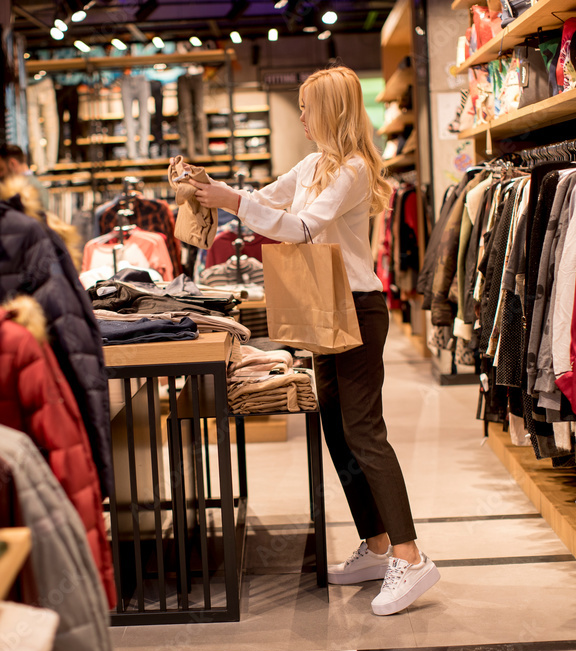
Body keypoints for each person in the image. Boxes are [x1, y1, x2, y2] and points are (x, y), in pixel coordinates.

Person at [176, 66, 440, 616]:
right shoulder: (314, 164)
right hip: (326, 307)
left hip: (358, 310)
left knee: (365, 431)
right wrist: (212, 192)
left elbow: (300, 228)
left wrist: (230, 199)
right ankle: (376, 545)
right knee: (337, 430)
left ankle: (412, 558)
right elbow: (266, 199)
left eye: (305, 105)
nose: (299, 115)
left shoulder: (353, 169)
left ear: (330, 110)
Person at [0, 144, 50, 211]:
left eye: (2, 169)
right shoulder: (37, 186)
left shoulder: (31, 189)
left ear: (12, 163)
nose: (0, 174)